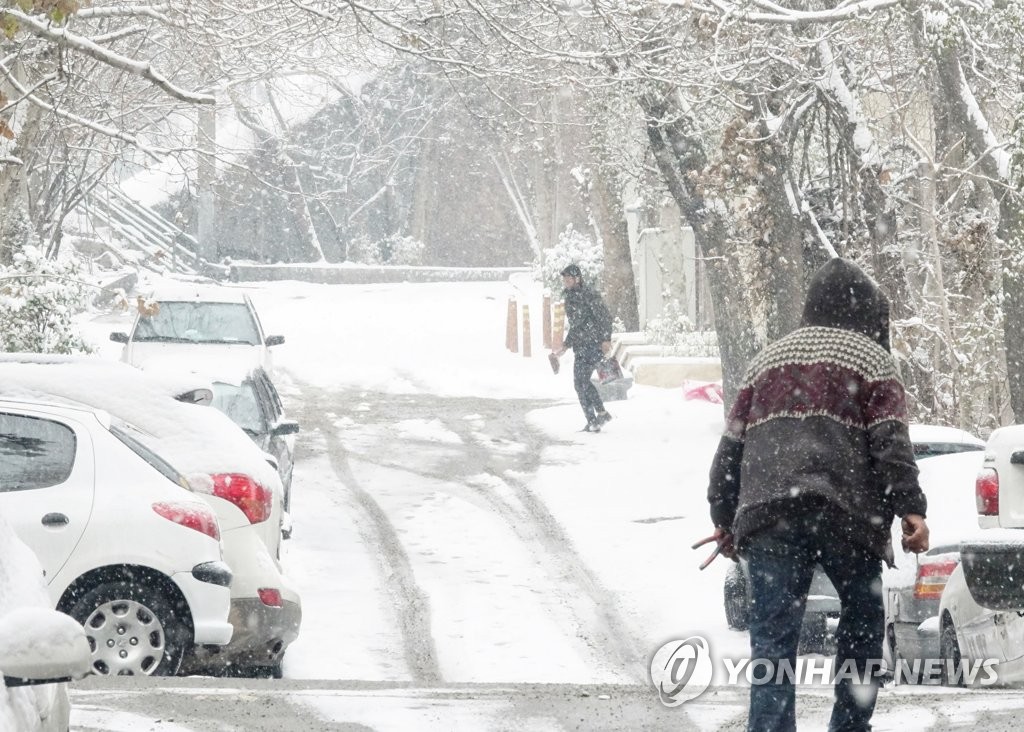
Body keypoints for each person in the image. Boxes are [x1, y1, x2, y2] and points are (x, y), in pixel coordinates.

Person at [705, 258, 930, 732]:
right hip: (846, 515)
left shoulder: (767, 360)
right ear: (867, 314)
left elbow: (731, 448)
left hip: (770, 516)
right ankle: (850, 724)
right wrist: (910, 509)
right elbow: (891, 443)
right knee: (863, 621)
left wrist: (725, 515)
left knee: (772, 640)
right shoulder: (871, 360)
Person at [552, 263, 614, 432]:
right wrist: (566, 345)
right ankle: (594, 419)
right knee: (579, 383)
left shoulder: (590, 295)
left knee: (582, 381)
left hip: (594, 344)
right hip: (580, 346)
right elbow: (576, 325)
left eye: (568, 278)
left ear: (577, 279)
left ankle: (599, 415)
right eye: (564, 278)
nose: (565, 281)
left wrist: (605, 339)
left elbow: (604, 318)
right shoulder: (569, 298)